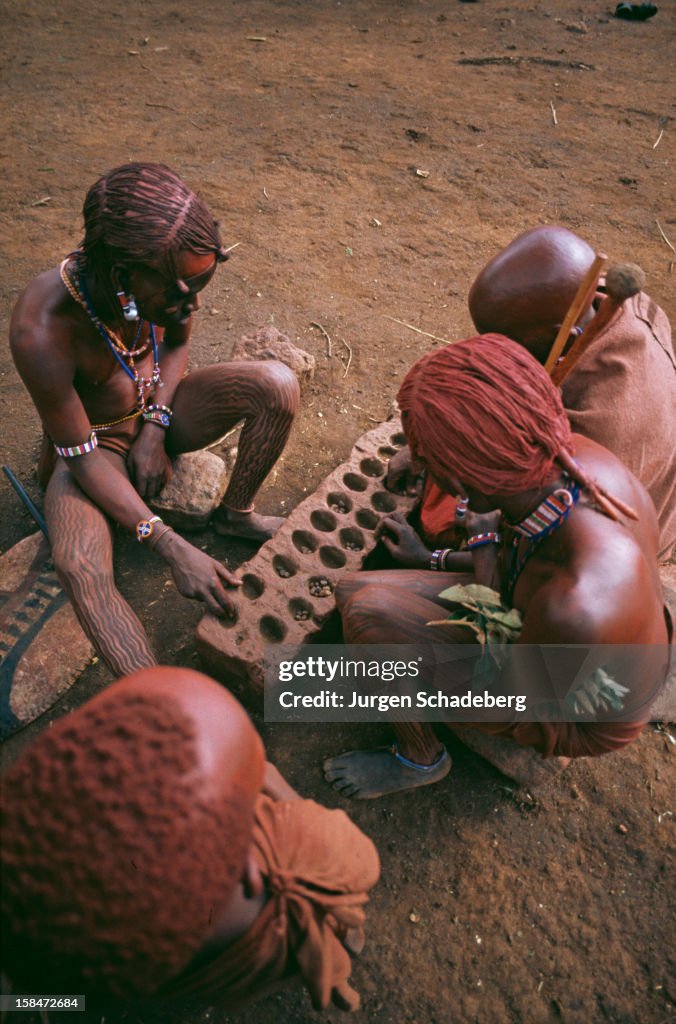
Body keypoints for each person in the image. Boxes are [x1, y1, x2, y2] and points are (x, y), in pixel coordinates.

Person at [323, 335, 670, 799]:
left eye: (427, 456)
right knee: (351, 594)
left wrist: (483, 548)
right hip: (547, 634)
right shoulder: (559, 466)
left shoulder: (576, 603)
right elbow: (520, 564)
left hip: (570, 709)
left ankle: (420, 758)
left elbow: (505, 681)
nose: (419, 462)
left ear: (465, 479)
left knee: (368, 622)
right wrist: (432, 558)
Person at [9, 162, 300, 678]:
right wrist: (167, 542)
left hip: (157, 414)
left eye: (200, 285)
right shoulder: (42, 329)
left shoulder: (167, 281)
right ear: (123, 276)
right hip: (94, 451)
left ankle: (236, 514)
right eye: (182, 290)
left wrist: (157, 426)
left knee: (276, 384)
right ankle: (160, 701)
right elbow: (77, 453)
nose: (194, 302)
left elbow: (179, 342)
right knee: (78, 564)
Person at [0, 666, 380, 1012]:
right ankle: (337, 942)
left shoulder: (44, 943)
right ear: (244, 865)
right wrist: (270, 782)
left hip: (134, 994)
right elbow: (357, 855)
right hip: (256, 949)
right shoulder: (281, 879)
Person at [388, 226, 675, 559]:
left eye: (507, 341)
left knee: (443, 520)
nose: (498, 352)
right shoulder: (599, 298)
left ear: (562, 337)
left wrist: (431, 560)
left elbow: (538, 552)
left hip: (614, 539)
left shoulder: (597, 426)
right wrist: (421, 446)